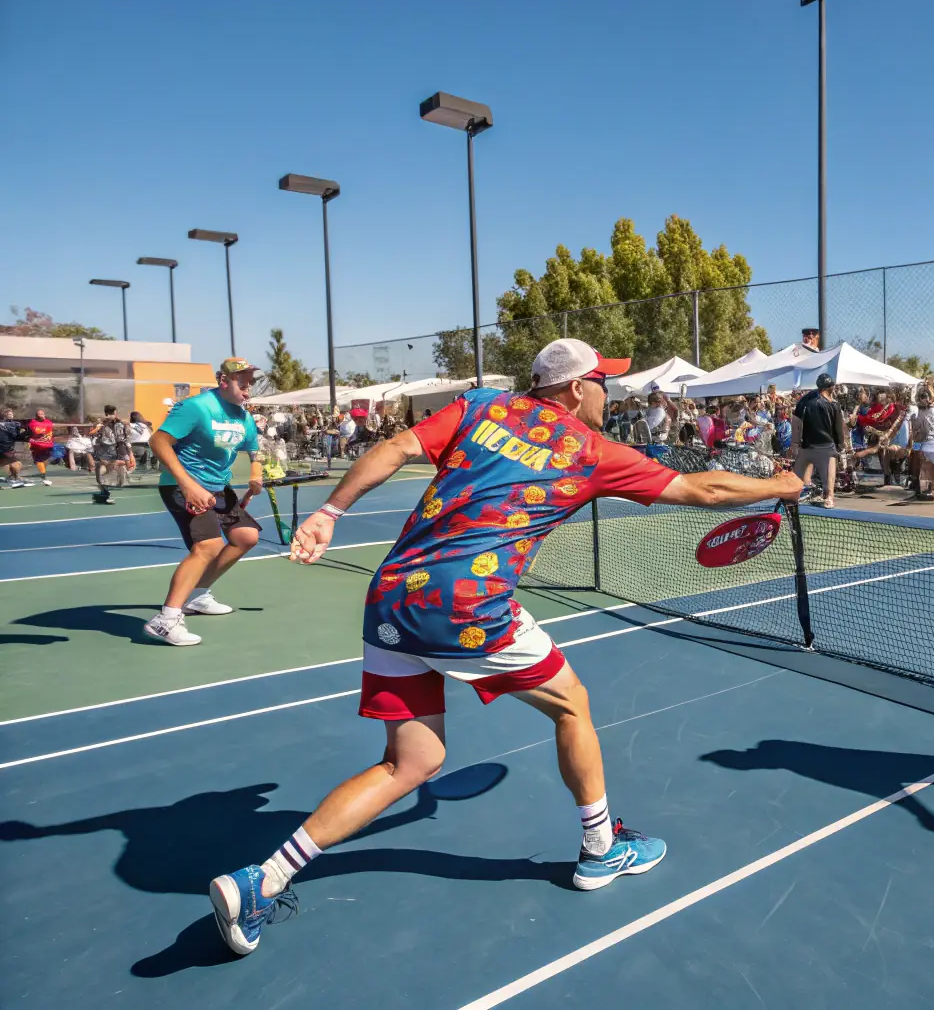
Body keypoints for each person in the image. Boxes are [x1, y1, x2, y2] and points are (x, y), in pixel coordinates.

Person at [206, 338, 803, 956]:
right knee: (572, 705)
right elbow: (702, 491)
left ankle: (263, 879)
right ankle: (601, 850)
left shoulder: (478, 407)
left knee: (410, 765)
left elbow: (392, 448)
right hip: (468, 606)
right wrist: (779, 486)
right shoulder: (591, 450)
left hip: (391, 599)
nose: (611, 391)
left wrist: (329, 510)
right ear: (576, 388)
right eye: (604, 381)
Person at [143, 359, 264, 647]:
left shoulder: (243, 417)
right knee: (208, 546)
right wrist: (188, 486)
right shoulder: (196, 407)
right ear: (224, 381)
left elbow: (253, 448)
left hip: (218, 488)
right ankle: (166, 620)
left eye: (250, 385)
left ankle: (197, 595)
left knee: (246, 537)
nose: (247, 390)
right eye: (241, 384)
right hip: (182, 485)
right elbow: (158, 442)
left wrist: (256, 473)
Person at [792, 373, 845, 508]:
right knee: (829, 481)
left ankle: (799, 496)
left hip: (807, 446)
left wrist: (795, 443)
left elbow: (796, 420)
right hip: (826, 447)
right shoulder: (834, 405)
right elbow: (839, 428)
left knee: (796, 479)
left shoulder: (805, 399)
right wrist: (840, 446)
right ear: (831, 387)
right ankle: (829, 498)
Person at [1, 408, 32, 487]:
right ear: (4, 415)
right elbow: (15, 436)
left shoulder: (15, 424)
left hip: (8, 448)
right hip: (5, 448)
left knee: (12, 462)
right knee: (15, 463)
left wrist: (26, 434)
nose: (11, 415)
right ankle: (15, 476)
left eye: (11, 414)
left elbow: (17, 436)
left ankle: (13, 476)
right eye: (9, 414)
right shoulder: (9, 424)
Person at [25, 409, 55, 485]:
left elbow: (50, 430)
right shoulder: (33, 423)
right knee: (39, 460)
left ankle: (42, 472)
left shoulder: (48, 422)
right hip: (37, 445)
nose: (41, 415)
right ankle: (43, 474)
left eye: (42, 414)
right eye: (39, 414)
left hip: (47, 444)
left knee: (44, 459)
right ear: (36, 416)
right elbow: (35, 432)